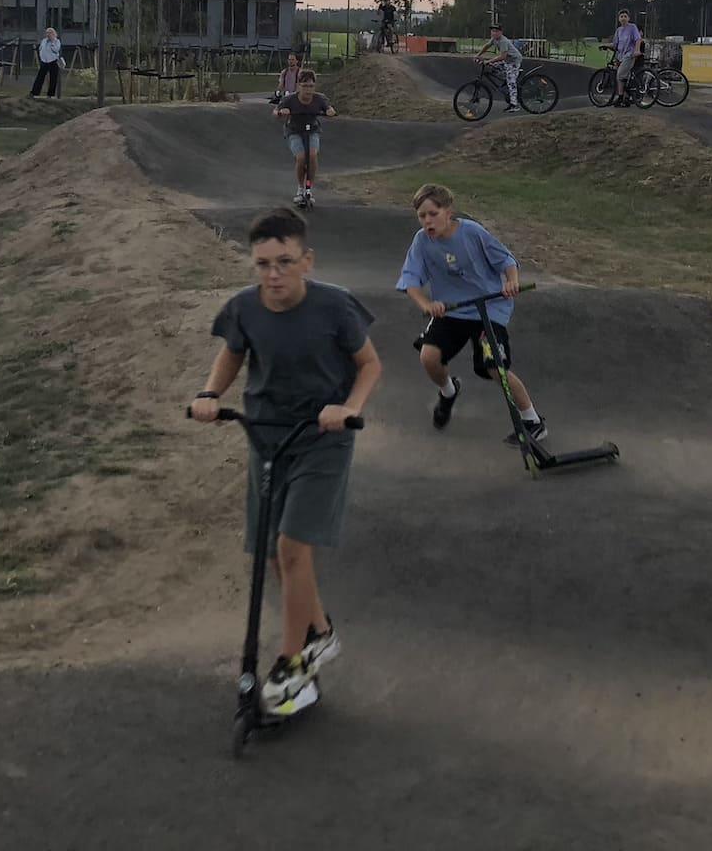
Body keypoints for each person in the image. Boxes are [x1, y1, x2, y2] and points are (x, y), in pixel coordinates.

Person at [190, 206, 383, 715]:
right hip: (266, 437)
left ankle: (291, 663)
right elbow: (233, 352)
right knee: (274, 557)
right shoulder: (244, 309)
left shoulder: (335, 307)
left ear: (307, 261)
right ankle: (320, 633)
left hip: (323, 439)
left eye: (284, 262)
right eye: (263, 264)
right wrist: (210, 393)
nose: (273, 274)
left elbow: (370, 365)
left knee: (292, 548)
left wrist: (349, 408)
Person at [397, 182, 546, 445]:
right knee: (429, 357)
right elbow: (410, 281)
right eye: (422, 216)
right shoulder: (421, 241)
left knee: (495, 366)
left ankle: (533, 420)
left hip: (489, 310)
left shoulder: (472, 232)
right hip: (452, 311)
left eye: (433, 214)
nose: (428, 221)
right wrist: (427, 305)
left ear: (448, 211)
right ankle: (448, 391)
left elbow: (506, 261)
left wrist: (511, 281)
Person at [274, 69, 335, 206]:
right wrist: (281, 112)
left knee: (312, 156)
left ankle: (309, 188)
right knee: (301, 157)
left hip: (312, 130)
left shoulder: (319, 98)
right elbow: (276, 111)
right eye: (305, 86)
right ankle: (300, 188)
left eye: (311, 86)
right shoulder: (290, 99)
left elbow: (328, 108)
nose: (308, 90)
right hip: (294, 130)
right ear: (298, 86)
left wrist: (330, 111)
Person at [474, 21, 524, 112]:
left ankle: (514, 105)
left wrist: (488, 61)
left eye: (496, 31)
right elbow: (487, 46)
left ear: (501, 32)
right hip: (506, 61)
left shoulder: (503, 41)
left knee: (511, 82)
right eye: (492, 31)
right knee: (493, 66)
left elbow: (502, 57)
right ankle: (506, 82)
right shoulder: (494, 39)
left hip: (513, 61)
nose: (494, 33)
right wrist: (478, 54)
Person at [609, 9, 644, 106]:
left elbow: (638, 39)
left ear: (628, 18)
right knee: (620, 75)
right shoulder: (618, 30)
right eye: (621, 16)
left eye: (625, 16)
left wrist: (637, 50)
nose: (623, 18)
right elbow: (615, 44)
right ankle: (626, 97)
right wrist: (606, 46)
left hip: (629, 55)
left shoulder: (632, 27)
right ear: (619, 19)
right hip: (620, 56)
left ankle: (620, 98)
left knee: (620, 74)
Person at [31, 27, 62, 99]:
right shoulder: (44, 41)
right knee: (40, 77)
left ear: (53, 33)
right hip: (44, 61)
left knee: (53, 78)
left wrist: (52, 42)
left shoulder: (56, 41)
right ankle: (34, 93)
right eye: (47, 33)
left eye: (50, 32)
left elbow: (56, 50)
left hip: (53, 61)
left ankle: (50, 94)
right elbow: (41, 49)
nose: (48, 34)